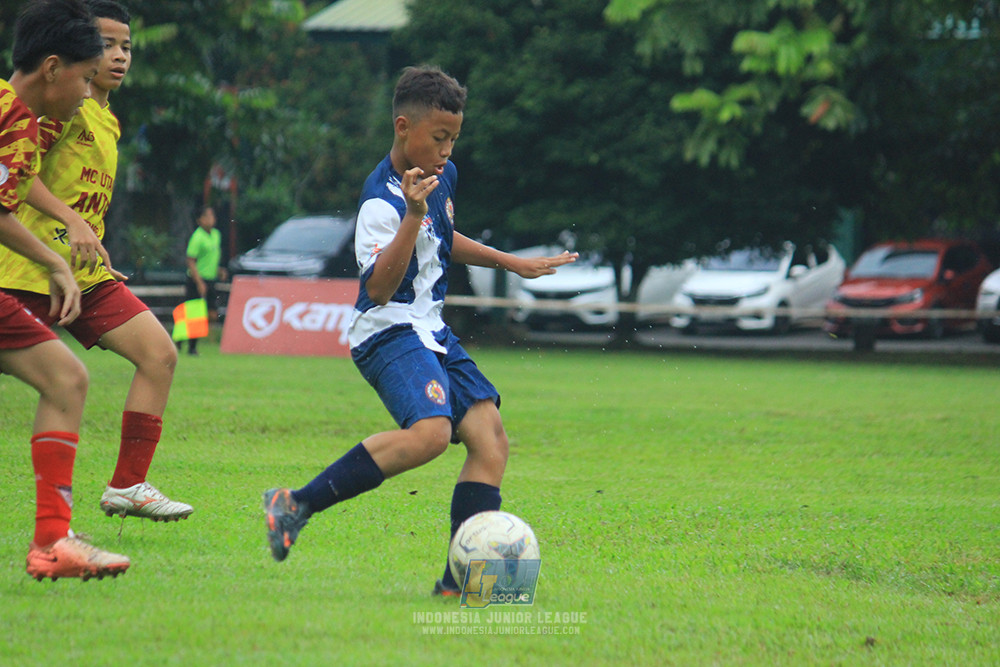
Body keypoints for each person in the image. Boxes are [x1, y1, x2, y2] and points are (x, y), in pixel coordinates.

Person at [263, 65, 576, 596]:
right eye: (439, 137)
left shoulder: (440, 173)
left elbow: (443, 236)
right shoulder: (380, 202)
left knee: (490, 440)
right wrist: (411, 213)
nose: (447, 150)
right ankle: (296, 503)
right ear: (403, 127)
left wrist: (509, 261)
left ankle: (456, 582)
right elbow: (381, 288)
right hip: (386, 330)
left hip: (430, 330)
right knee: (431, 434)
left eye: (454, 138)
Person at [0, 0, 193, 523]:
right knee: (61, 379)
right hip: (27, 270)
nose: (119, 56)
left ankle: (128, 484)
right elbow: (20, 178)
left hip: (83, 275)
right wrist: (71, 222)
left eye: (126, 46)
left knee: (159, 354)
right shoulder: (54, 110)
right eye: (106, 45)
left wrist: (90, 244)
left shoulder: (105, 119)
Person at [1, 0, 130, 580]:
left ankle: (53, 541)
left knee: (66, 378)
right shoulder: (13, 118)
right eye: (84, 77)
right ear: (53, 68)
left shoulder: (19, 119)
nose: (86, 93)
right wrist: (55, 259)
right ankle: (52, 541)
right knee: (66, 379)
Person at [180, 204, 226, 356]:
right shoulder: (197, 237)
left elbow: (209, 258)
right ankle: (191, 347)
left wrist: (218, 270)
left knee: (212, 314)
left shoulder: (216, 235)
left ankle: (181, 336)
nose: (211, 219)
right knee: (195, 313)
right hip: (196, 279)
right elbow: (191, 261)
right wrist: (199, 282)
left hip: (211, 279)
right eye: (207, 216)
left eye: (212, 216)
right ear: (199, 220)